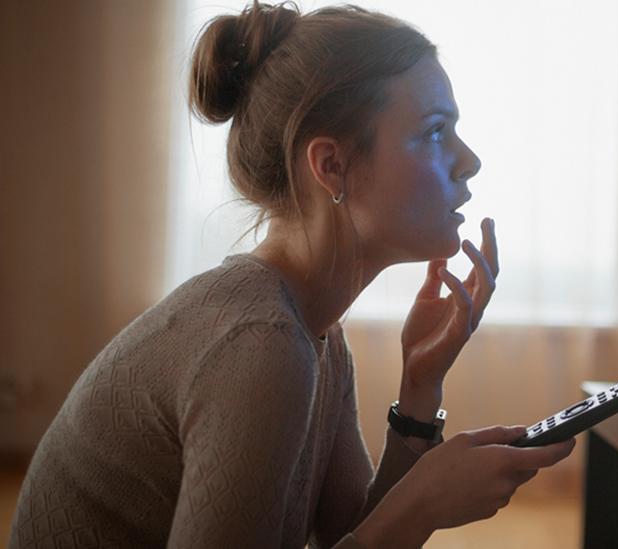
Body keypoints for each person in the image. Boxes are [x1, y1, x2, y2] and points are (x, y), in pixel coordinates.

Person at [8, 3, 575, 548]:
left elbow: (346, 531)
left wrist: (419, 390)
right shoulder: (261, 344)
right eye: (433, 131)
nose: (468, 159)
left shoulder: (314, 333)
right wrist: (422, 503)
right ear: (331, 166)